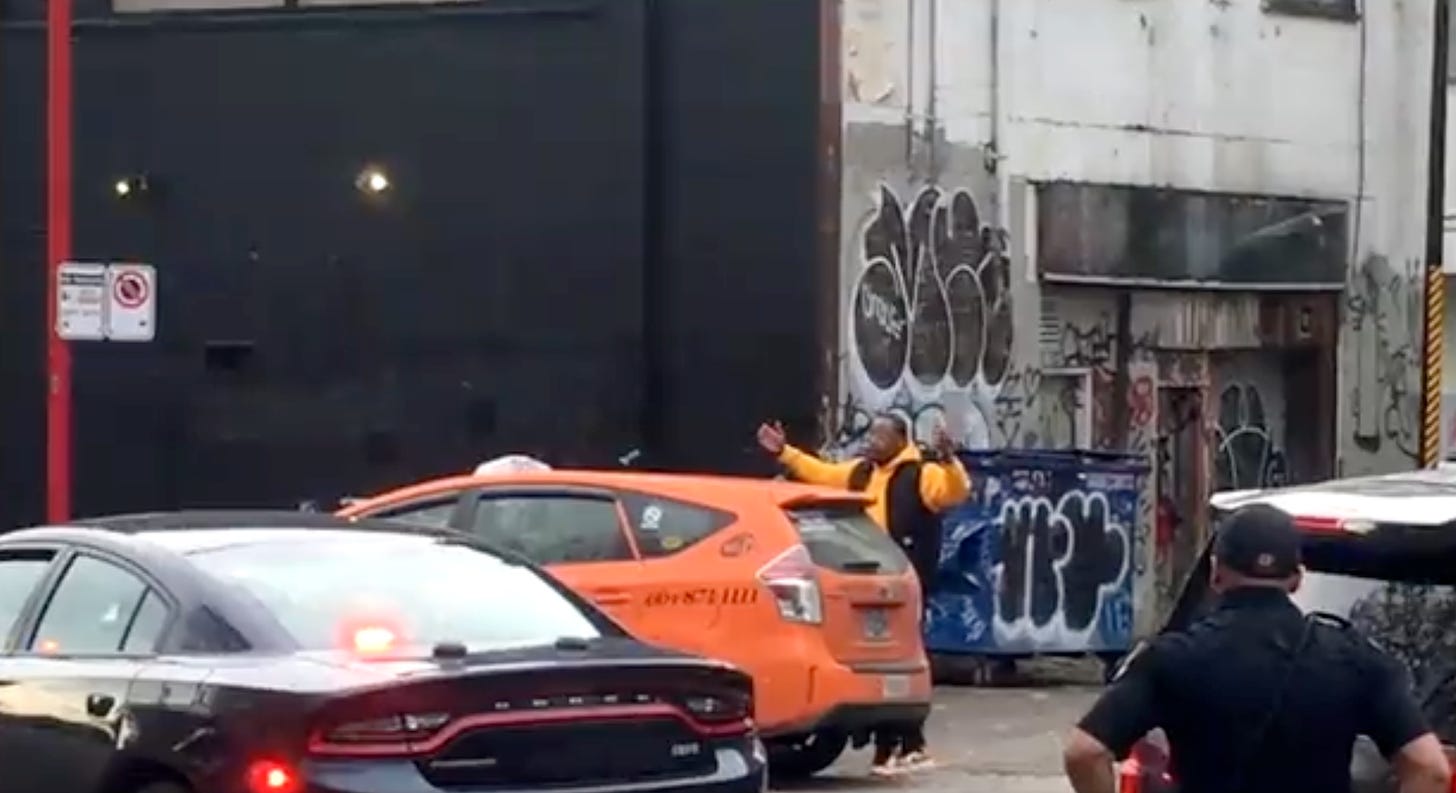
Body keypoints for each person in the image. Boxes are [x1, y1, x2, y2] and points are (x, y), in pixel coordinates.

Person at [1062, 503, 1453, 793]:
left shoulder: (1171, 659)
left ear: (1215, 573)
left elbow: (1085, 753)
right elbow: (1430, 769)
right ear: (1297, 579)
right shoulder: (1356, 661)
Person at [756, 414, 971, 776]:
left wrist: (949, 460)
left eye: (881, 436)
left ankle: (908, 743)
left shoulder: (922, 473)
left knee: (901, 663)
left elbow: (955, 491)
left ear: (902, 440)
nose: (872, 441)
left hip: (903, 587)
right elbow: (821, 473)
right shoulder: (861, 472)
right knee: (877, 667)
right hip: (865, 586)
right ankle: (890, 747)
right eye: (871, 434)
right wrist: (785, 453)